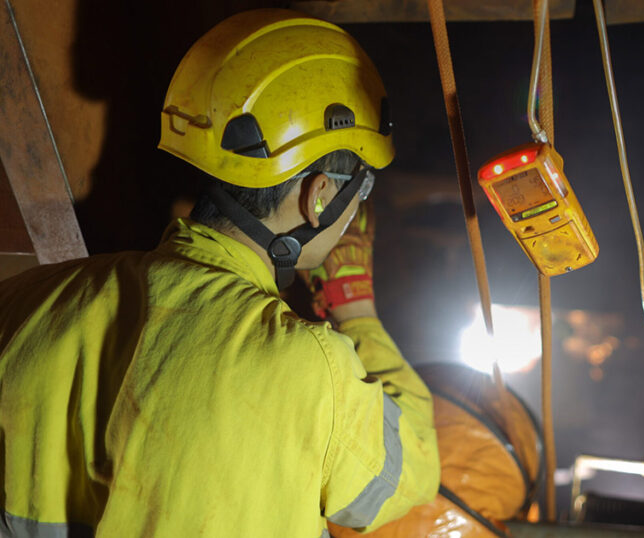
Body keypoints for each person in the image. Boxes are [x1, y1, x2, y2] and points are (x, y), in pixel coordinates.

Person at [0, 9, 439, 537]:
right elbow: (411, 469)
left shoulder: (28, 298)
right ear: (318, 197)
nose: (356, 212)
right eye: (360, 191)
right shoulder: (309, 366)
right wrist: (356, 309)